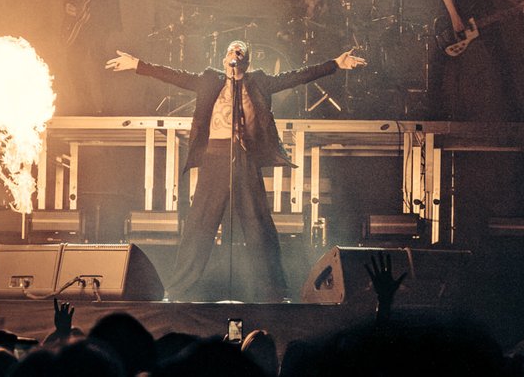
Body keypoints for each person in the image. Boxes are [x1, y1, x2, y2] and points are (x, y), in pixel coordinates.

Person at [105, 39, 367, 301]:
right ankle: (177, 290)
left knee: (259, 226)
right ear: (224, 59)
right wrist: (137, 64)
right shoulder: (209, 80)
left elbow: (297, 76)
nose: (235, 52)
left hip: (246, 158)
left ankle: (274, 292)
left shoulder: (260, 82)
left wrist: (335, 64)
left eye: (240, 50)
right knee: (199, 225)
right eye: (231, 49)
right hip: (214, 158)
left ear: (247, 61)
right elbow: (174, 75)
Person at [276, 0, 351, 115]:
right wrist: (286, 37)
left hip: (325, 52)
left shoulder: (332, 3)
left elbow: (341, 30)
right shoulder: (295, 5)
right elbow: (281, 29)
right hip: (298, 53)